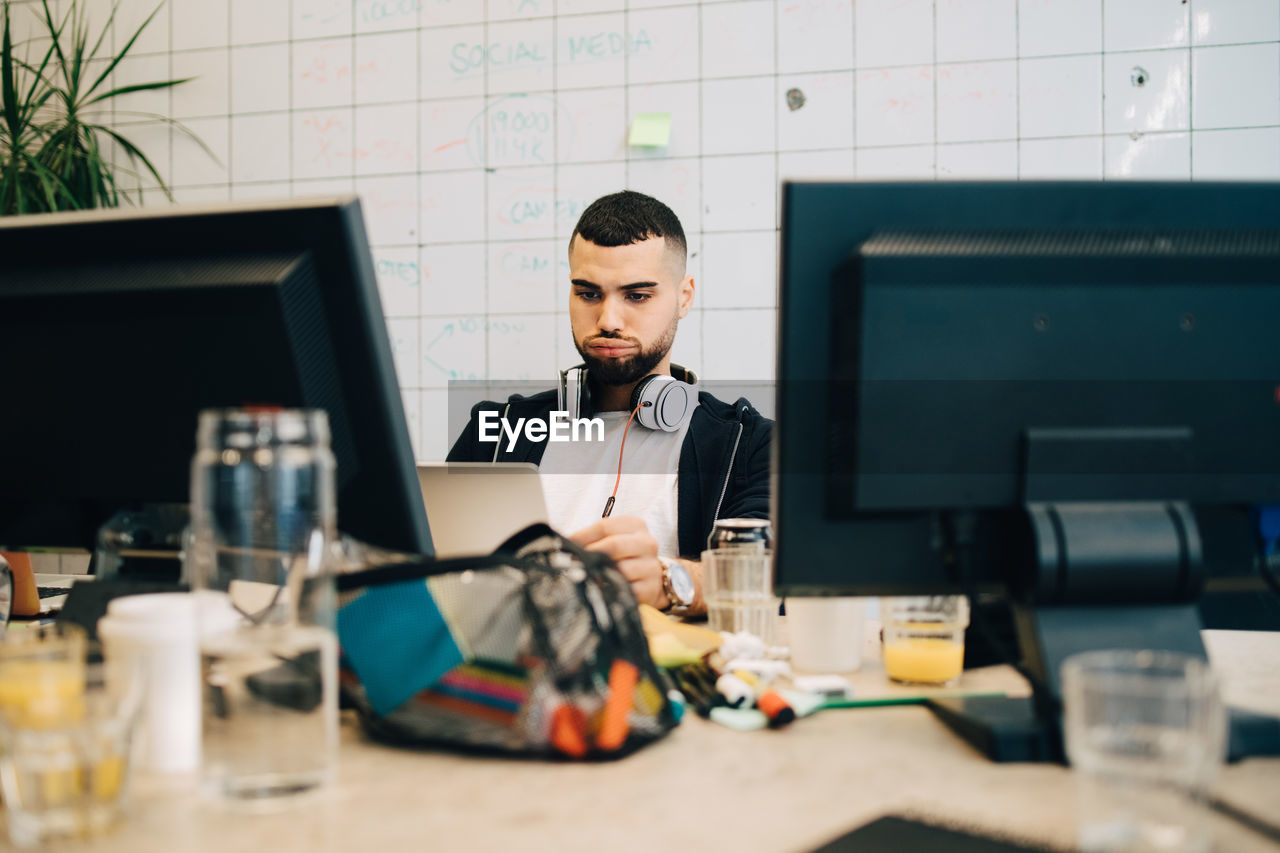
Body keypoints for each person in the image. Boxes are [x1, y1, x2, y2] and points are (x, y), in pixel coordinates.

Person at [447, 190, 771, 617]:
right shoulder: (496, 430)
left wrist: (670, 581)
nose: (608, 321)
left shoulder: (745, 444)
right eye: (588, 294)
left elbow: (770, 570)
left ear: (684, 297)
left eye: (637, 296)